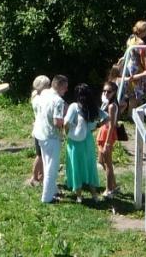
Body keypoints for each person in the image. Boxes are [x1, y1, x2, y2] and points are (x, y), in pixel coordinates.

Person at [32, 75, 69, 204]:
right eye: (65, 87)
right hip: (51, 136)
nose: (66, 90)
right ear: (58, 86)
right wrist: (68, 123)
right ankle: (47, 198)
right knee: (51, 168)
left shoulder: (44, 93)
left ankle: (52, 191)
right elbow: (57, 121)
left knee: (47, 163)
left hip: (39, 133)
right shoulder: (58, 100)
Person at [63, 83, 100, 201]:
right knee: (90, 165)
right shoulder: (92, 107)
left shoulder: (74, 106)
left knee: (75, 165)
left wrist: (66, 132)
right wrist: (96, 127)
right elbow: (106, 117)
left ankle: (79, 195)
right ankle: (94, 194)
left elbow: (66, 123)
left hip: (75, 141)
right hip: (88, 139)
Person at [96, 80, 120, 198]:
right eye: (104, 91)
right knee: (101, 161)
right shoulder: (106, 103)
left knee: (108, 163)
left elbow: (111, 125)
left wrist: (107, 143)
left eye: (109, 91)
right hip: (103, 131)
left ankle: (109, 189)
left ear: (114, 93)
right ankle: (114, 185)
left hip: (107, 134)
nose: (106, 93)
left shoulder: (112, 106)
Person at [28, 76, 51, 188]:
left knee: (41, 155)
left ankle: (40, 175)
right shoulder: (39, 99)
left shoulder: (37, 97)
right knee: (40, 155)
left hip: (39, 129)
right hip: (40, 130)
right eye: (48, 85)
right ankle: (34, 177)